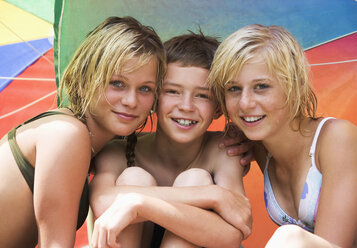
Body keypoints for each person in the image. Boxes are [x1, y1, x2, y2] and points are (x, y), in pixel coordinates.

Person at [0, 16, 166, 247]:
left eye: (145, 88)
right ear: (85, 78)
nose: (131, 100)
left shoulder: (94, 141)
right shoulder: (67, 134)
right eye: (117, 83)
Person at [89, 31, 252, 248]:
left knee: (195, 178)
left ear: (219, 108)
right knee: (134, 177)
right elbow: (101, 201)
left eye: (202, 95)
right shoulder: (119, 151)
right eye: (173, 91)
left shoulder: (223, 150)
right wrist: (211, 195)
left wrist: (140, 203)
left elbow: (236, 232)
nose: (186, 106)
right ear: (154, 97)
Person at [208, 24, 357, 247]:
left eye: (261, 86)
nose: (245, 103)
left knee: (290, 238)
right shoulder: (258, 145)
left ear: (294, 86)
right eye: (234, 89)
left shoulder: (337, 138)